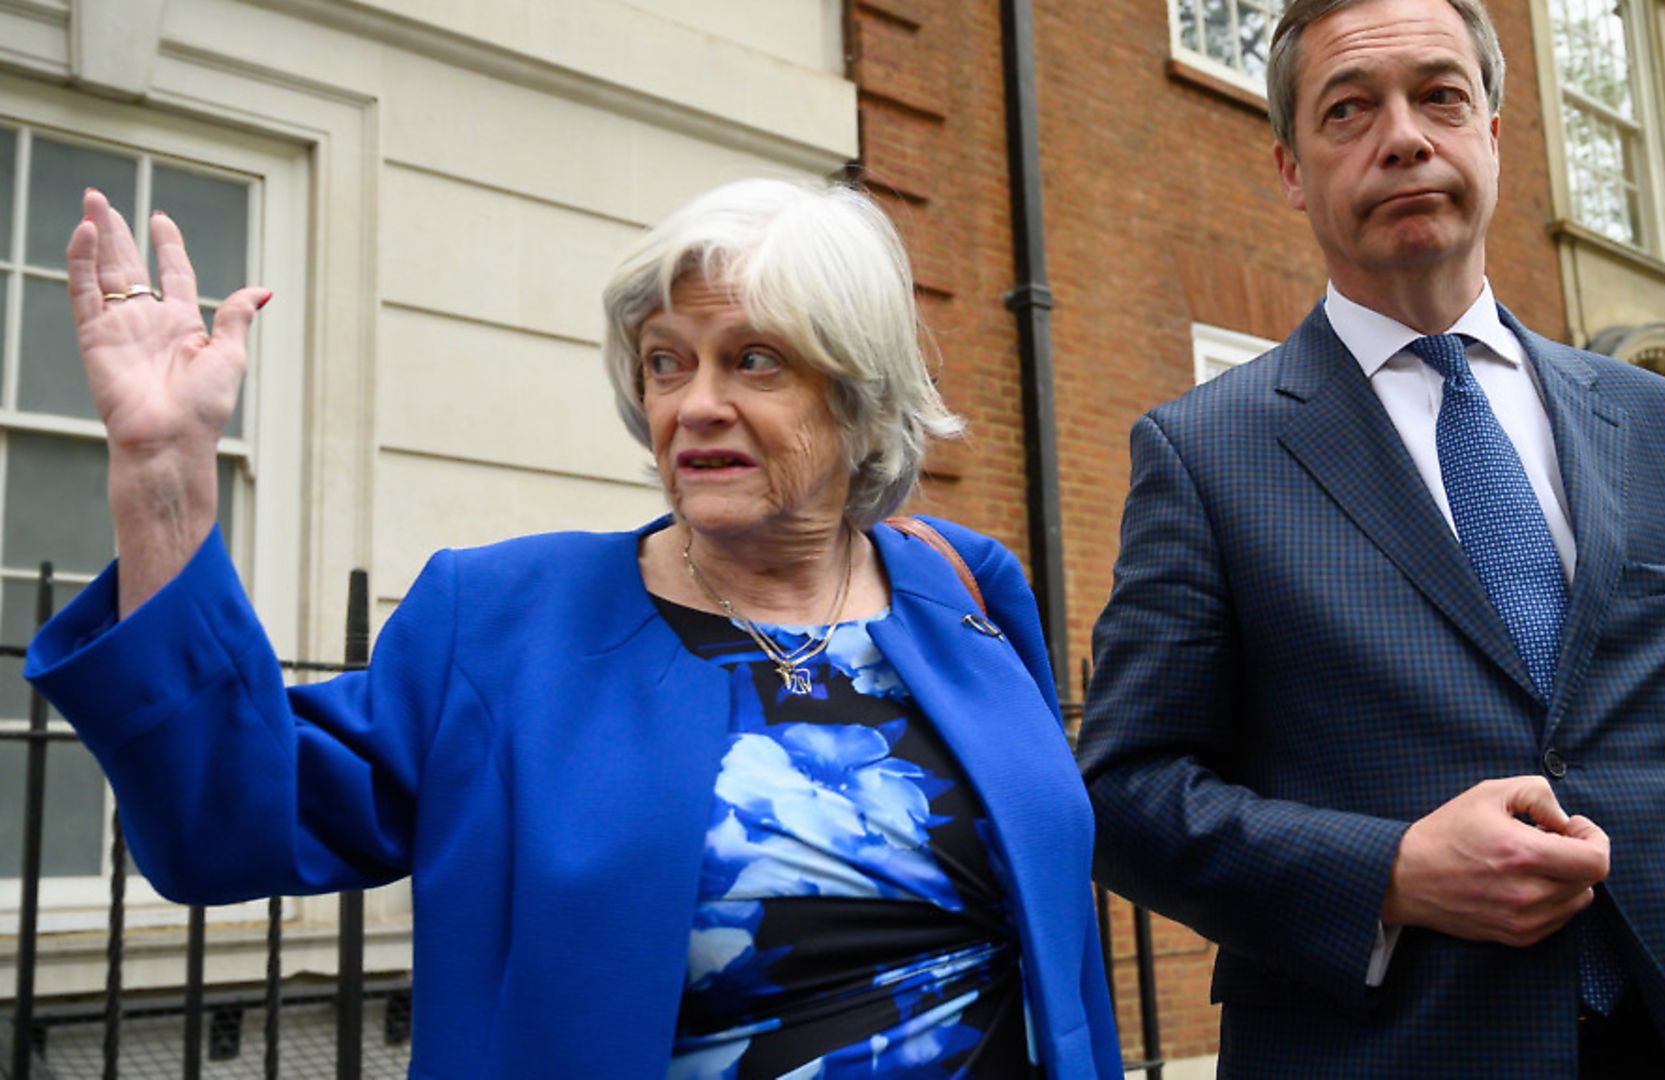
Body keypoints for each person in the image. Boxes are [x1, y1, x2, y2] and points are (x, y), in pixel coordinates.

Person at [26, 179, 1123, 1079]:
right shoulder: (506, 620)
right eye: (665, 361)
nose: (693, 403)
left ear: (859, 396)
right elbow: (232, 823)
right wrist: (164, 484)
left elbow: (1053, 933)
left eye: (753, 359)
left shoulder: (962, 587)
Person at [1075, 0, 1665, 1076]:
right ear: (1289, 168)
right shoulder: (1206, 455)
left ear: (1495, 136)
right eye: (1349, 109)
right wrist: (1392, 872)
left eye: (1440, 96)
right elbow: (1129, 791)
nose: (1405, 135)